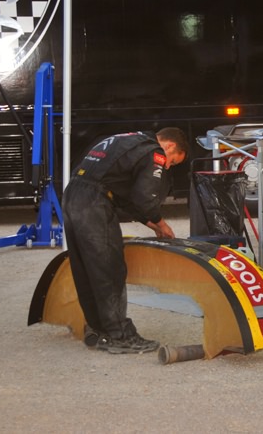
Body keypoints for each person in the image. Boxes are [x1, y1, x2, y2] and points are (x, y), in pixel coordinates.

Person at [61, 127, 188, 354]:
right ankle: (120, 335)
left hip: (72, 196)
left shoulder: (125, 140)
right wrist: (160, 221)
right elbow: (144, 199)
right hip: (94, 204)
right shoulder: (154, 152)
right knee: (110, 268)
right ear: (169, 146)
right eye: (173, 161)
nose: (167, 166)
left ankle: (98, 330)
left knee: (87, 269)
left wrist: (154, 225)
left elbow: (120, 194)